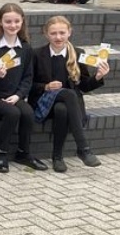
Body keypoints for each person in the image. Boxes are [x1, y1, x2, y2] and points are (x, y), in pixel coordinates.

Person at [29, 16, 107, 172]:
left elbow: (83, 86)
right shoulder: (37, 54)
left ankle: (57, 157)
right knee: (69, 95)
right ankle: (83, 148)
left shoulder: (78, 53)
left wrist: (98, 77)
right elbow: (29, 85)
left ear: (69, 32)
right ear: (46, 34)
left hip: (67, 107)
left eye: (62, 33)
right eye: (53, 33)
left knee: (62, 108)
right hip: (44, 103)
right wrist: (46, 86)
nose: (58, 37)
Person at [0, 3, 46, 173]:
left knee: (28, 112)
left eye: (16, 21)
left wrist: (18, 96)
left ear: (22, 22)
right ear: (0, 22)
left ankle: (23, 153)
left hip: (13, 96)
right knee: (12, 113)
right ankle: (2, 153)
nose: (12, 25)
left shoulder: (26, 49)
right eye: (8, 21)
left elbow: (28, 77)